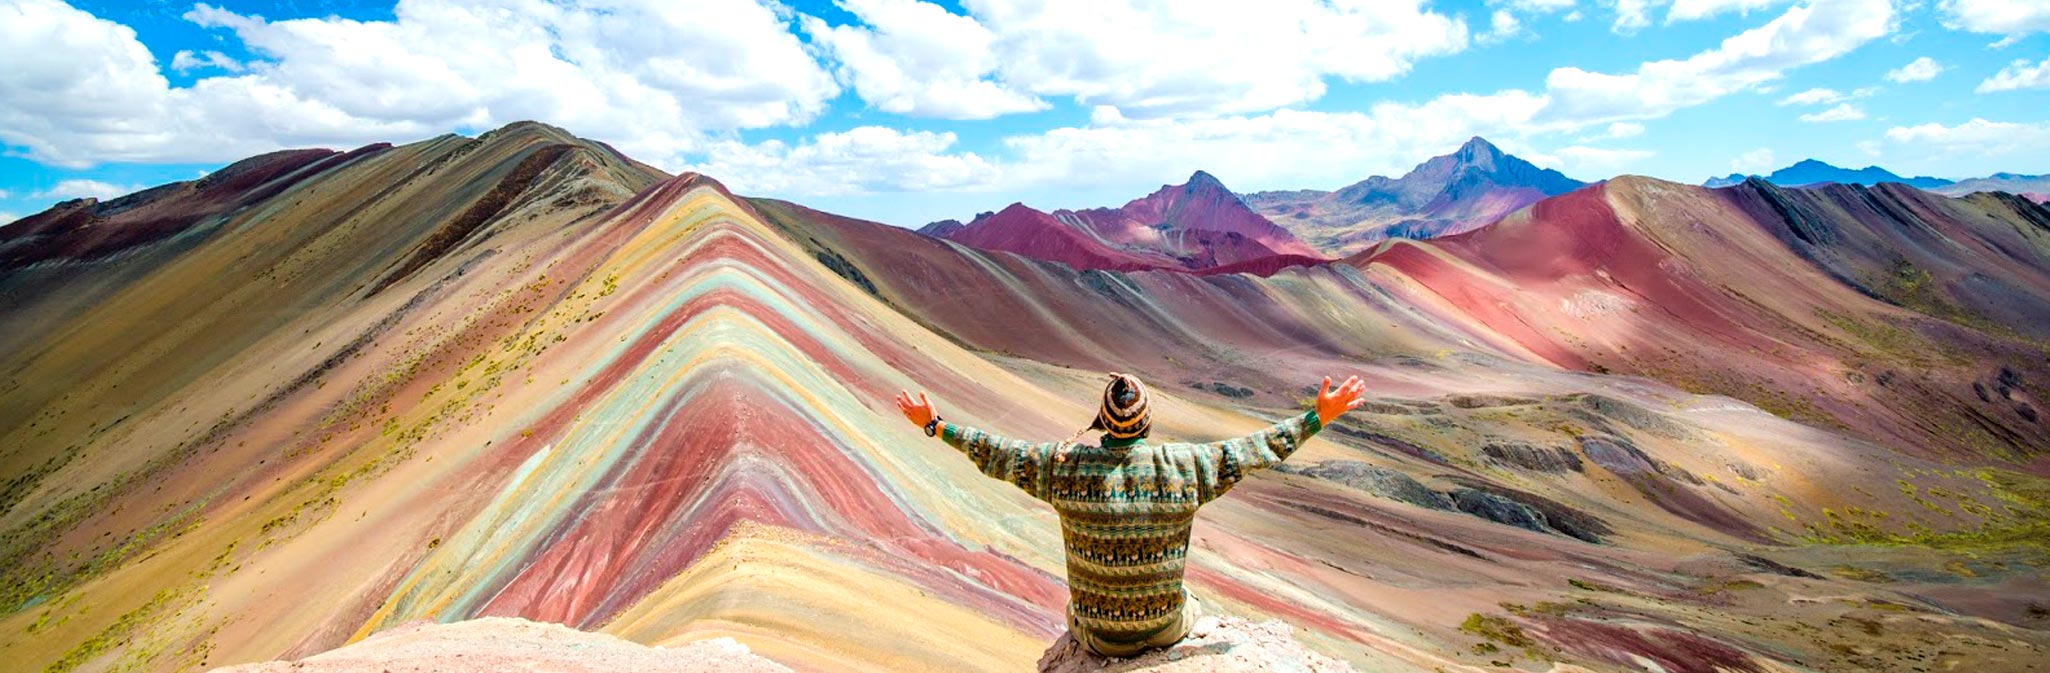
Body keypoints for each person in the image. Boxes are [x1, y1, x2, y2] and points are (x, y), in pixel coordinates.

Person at [893, 372, 1367, 657]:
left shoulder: (1063, 469)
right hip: (1165, 630)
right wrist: (1316, 417)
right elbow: (1254, 449)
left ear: (1100, 422)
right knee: (1191, 599)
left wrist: (935, 425)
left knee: (1074, 609)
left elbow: (997, 451)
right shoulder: (1185, 468)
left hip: (1096, 636)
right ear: (1147, 423)